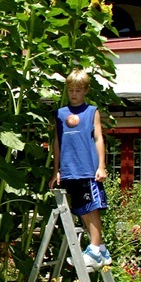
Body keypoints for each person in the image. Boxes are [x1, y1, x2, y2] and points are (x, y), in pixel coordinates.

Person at [49, 68, 111, 270]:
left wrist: (101, 166)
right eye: (71, 90)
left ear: (85, 90)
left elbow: (98, 138)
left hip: (88, 169)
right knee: (81, 209)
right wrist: (56, 170)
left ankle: (93, 248)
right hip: (69, 169)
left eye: (78, 90)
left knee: (91, 208)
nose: (74, 94)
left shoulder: (91, 111)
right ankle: (100, 250)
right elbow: (57, 142)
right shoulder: (61, 114)